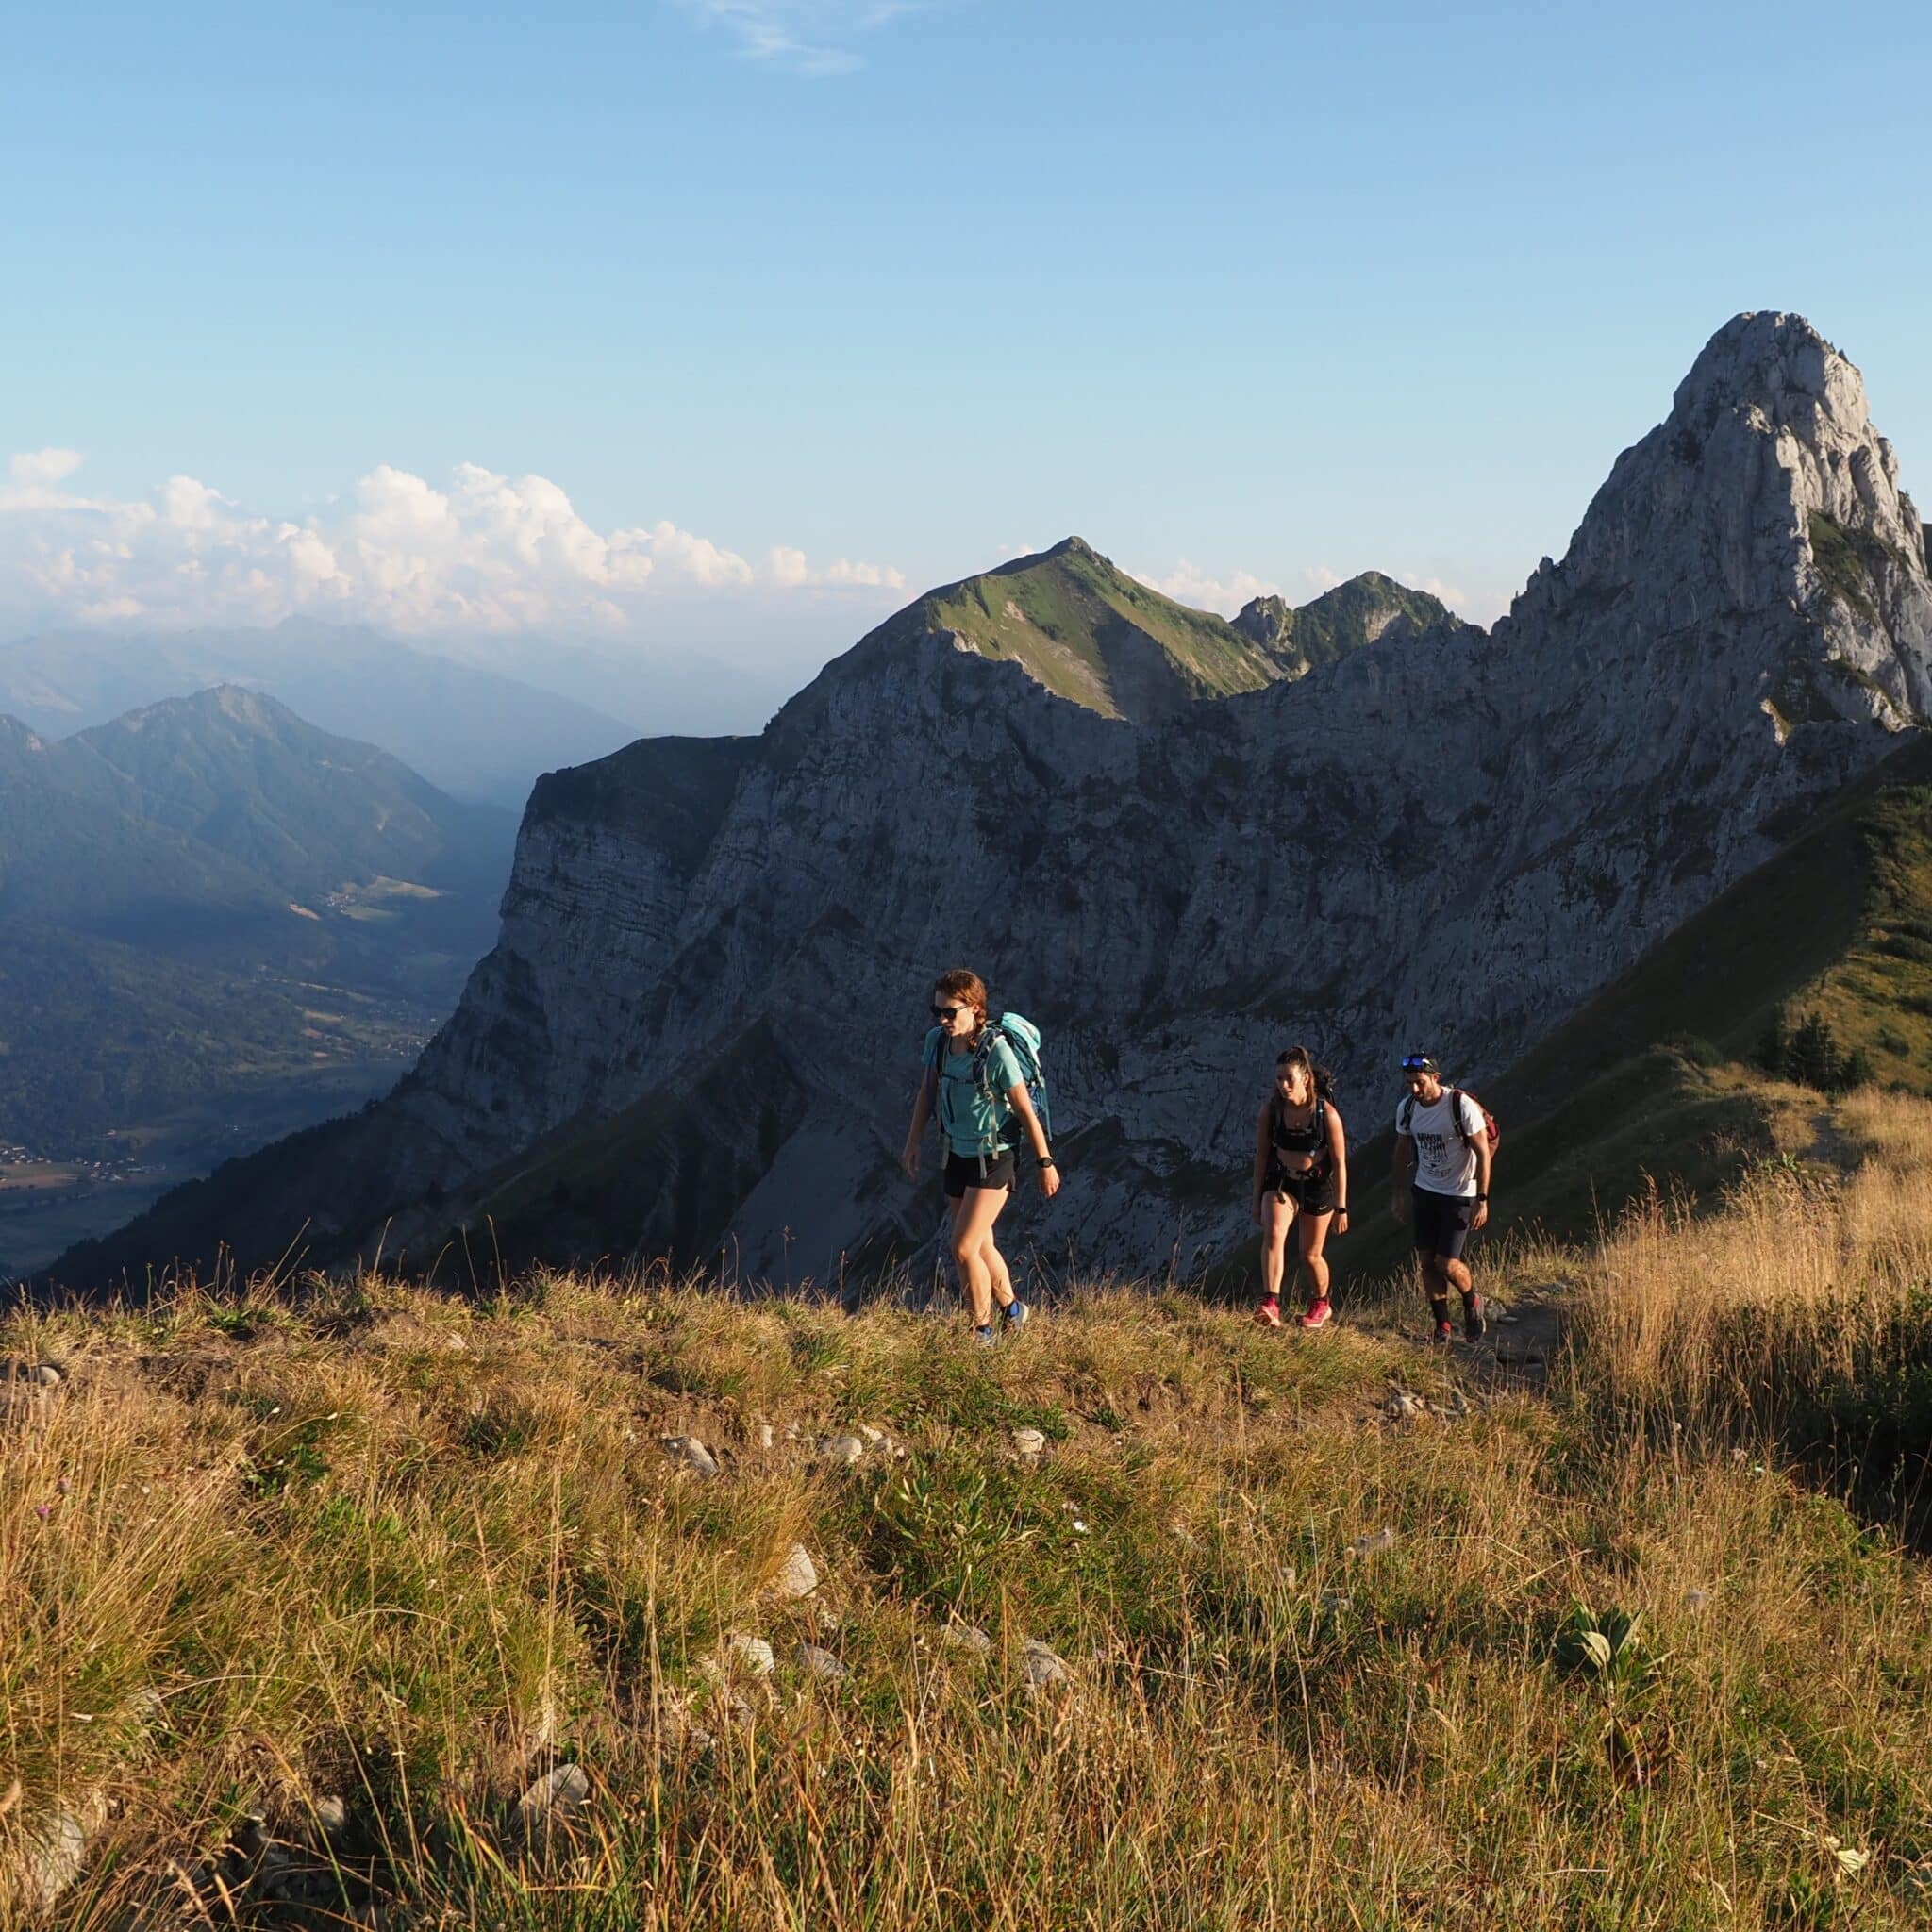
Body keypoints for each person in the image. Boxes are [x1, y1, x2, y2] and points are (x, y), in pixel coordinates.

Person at [900, 968, 1059, 1344]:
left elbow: (1023, 1109)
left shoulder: (997, 1053)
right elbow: (927, 1093)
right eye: (936, 1011)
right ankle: (1015, 1312)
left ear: (974, 1009)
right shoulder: (938, 1043)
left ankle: (982, 1332)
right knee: (982, 1245)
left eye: (949, 1012)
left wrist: (1045, 1162)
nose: (941, 1019)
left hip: (995, 1158)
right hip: (956, 1154)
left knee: (963, 1247)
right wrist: (912, 1143)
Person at [1389, 1053, 1491, 1342]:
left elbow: (1483, 1153)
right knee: (1426, 1262)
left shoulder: (1460, 1106)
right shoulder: (1408, 1108)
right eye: (1410, 1084)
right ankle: (1442, 1326)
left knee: (1446, 1263)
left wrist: (1481, 1199)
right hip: (1425, 1191)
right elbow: (1402, 1150)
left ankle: (1472, 1300)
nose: (1415, 1090)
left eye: (1420, 1083)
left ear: (1436, 1078)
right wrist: (1397, 1192)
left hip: (1459, 1195)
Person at [1251, 1046, 1348, 1329]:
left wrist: (1341, 1207)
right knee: (1274, 1234)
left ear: (1305, 1078)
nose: (1283, 1086)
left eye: (1288, 1079)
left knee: (1310, 1255)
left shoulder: (1326, 1114)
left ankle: (1321, 1303)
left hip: (1317, 1186)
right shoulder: (1271, 1112)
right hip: (1283, 1182)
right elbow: (1261, 1156)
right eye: (1278, 1079)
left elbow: (1340, 1163)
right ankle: (1270, 1303)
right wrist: (1257, 1200)